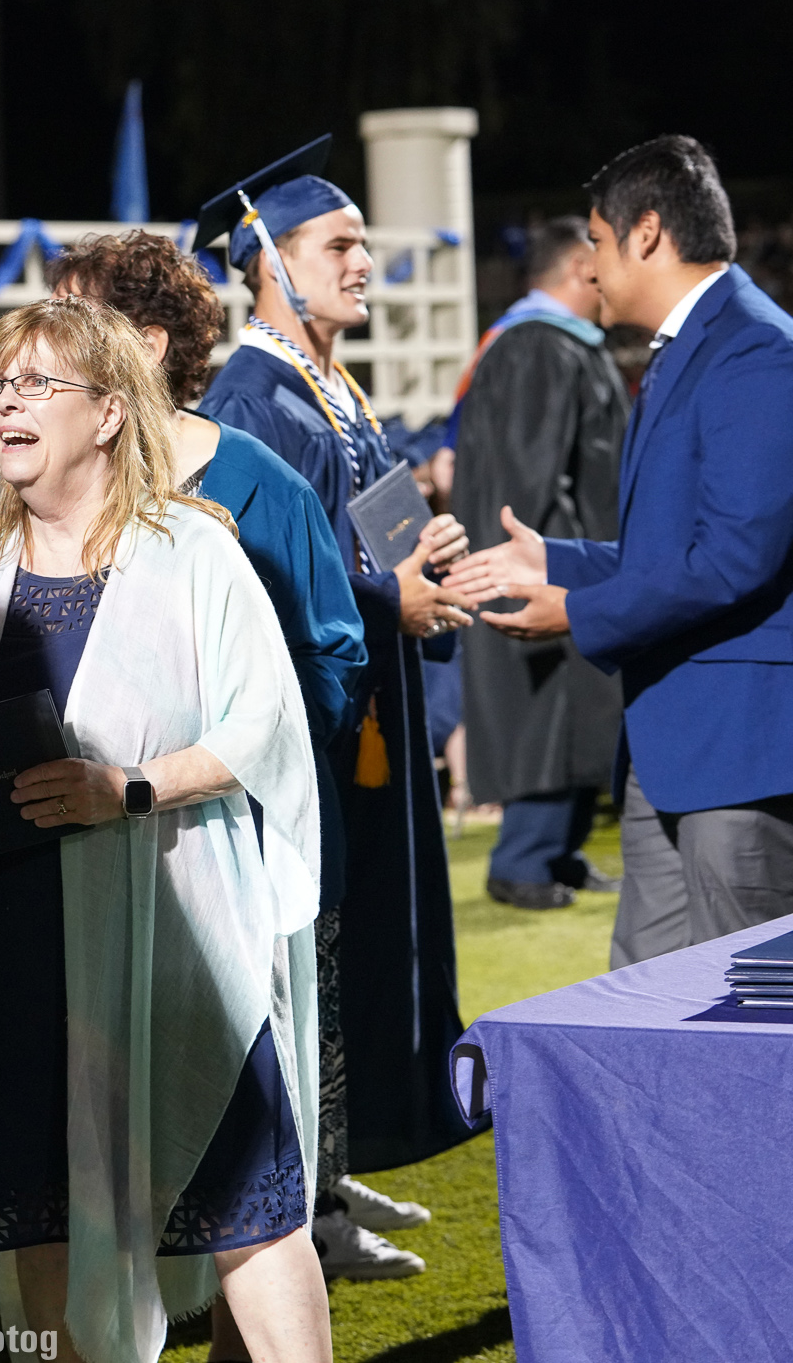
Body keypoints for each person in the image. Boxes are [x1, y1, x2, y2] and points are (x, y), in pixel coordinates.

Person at [0, 294, 328, 1363]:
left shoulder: (190, 556)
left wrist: (132, 787)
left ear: (109, 412)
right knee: (42, 1215)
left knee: (246, 1208)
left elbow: (262, 726)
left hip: (174, 932)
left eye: (37, 385)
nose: (8, 405)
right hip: (16, 938)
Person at [44, 233, 400, 1314]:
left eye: (76, 322)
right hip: (87, 864)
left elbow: (332, 653)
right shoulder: (48, 491)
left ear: (145, 345)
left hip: (225, 848)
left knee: (245, 1141)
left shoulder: (253, 486)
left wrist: (239, 766)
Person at [447, 135, 793, 967]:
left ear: (646, 234)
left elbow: (731, 563)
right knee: (645, 1016)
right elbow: (672, 552)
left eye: (597, 243)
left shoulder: (759, 354)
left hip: (744, 750)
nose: (590, 267)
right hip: (676, 743)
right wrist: (557, 562)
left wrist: (572, 608)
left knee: (735, 1021)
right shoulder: (694, 349)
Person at [194, 137, 475, 1271]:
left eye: (363, 244)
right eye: (339, 246)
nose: (365, 264)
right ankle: (298, 1205)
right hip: (306, 732)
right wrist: (383, 593)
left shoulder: (325, 390)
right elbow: (263, 578)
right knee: (307, 949)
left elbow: (360, 535)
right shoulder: (248, 398)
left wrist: (423, 559)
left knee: (345, 949)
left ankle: (331, 1173)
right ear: (267, 259)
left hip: (362, 717)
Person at [450, 216, 627, 910]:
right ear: (583, 270)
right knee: (549, 710)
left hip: (576, 558)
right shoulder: (536, 348)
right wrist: (556, 565)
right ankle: (521, 860)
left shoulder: (555, 345)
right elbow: (530, 482)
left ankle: (561, 848)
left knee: (578, 707)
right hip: (546, 565)